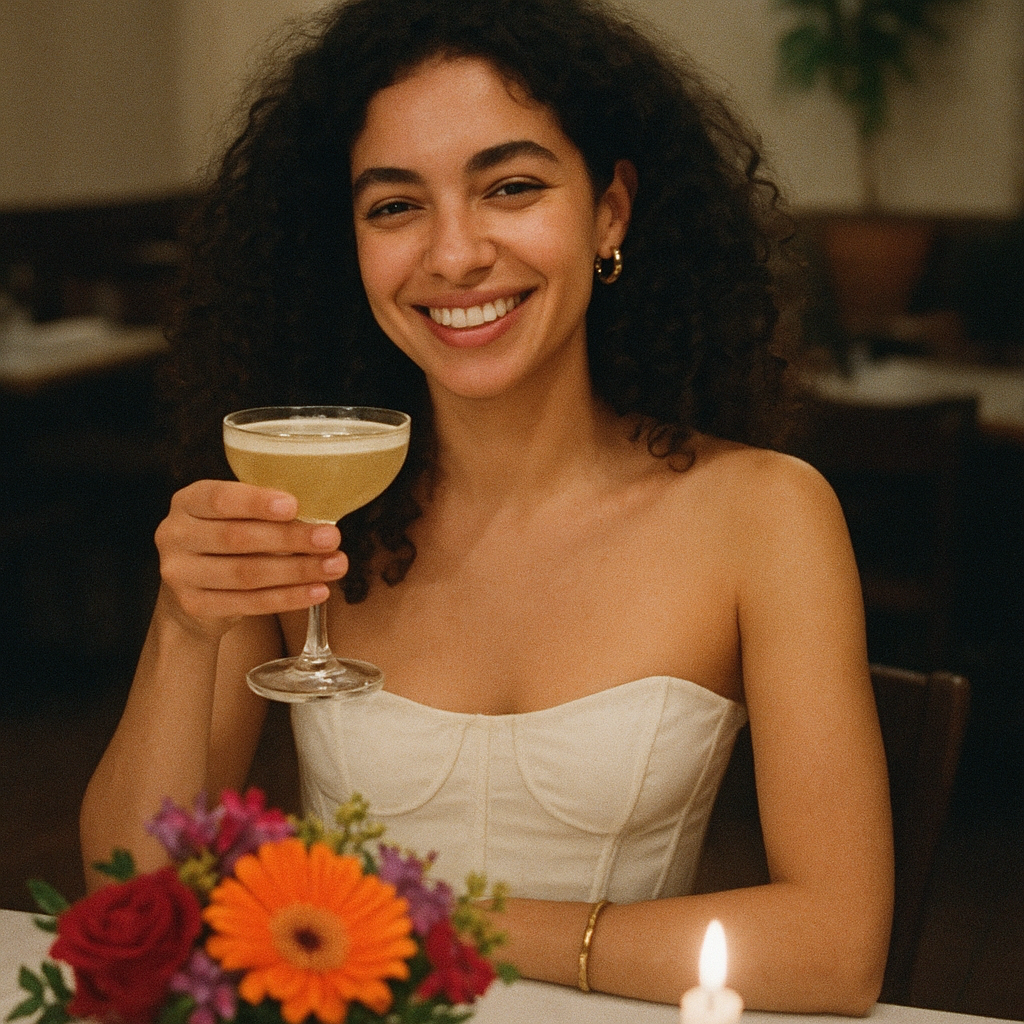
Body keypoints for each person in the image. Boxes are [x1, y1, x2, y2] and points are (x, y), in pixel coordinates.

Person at [80, 0, 893, 1013]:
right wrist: (182, 624)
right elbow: (126, 896)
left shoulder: (764, 513)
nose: (455, 254)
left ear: (609, 213)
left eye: (510, 187)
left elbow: (835, 949)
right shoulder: (308, 510)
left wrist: (419, 923)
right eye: (394, 206)